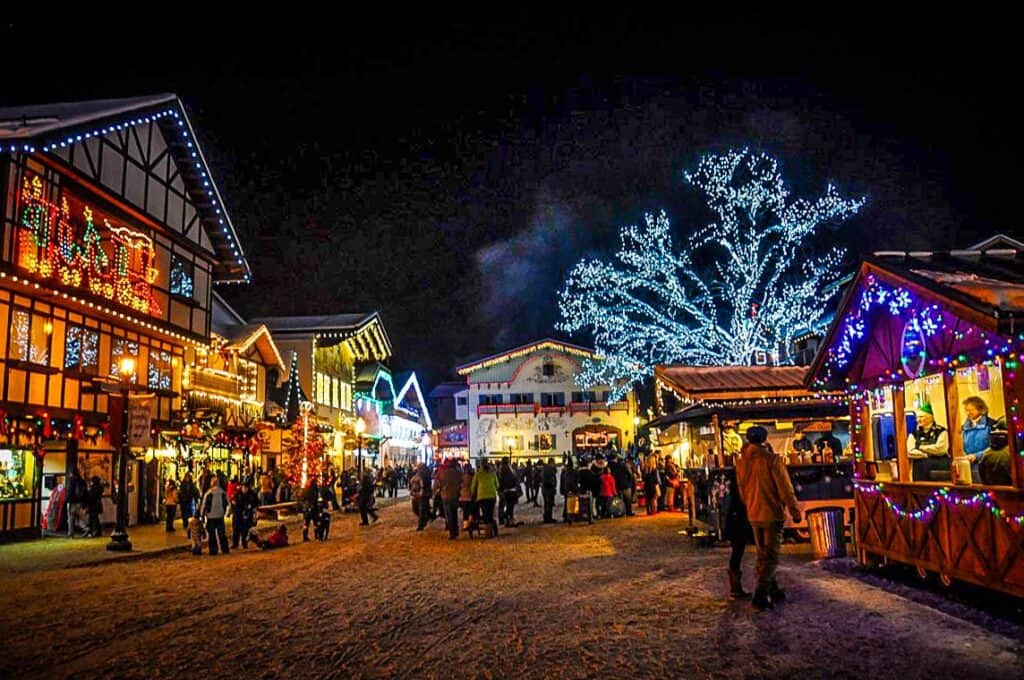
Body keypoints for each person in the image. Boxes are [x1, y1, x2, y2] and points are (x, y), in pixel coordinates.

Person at [735, 426, 801, 610]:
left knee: (763, 554)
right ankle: (760, 595)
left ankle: (774, 591)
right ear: (765, 439)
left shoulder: (741, 462)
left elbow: (742, 490)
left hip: (753, 513)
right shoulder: (771, 460)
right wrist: (795, 511)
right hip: (772, 513)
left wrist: (750, 504)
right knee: (771, 557)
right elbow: (785, 488)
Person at [723, 472, 751, 599]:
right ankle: (735, 588)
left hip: (735, 519)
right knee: (738, 552)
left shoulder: (735, 489)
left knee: (737, 552)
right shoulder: (740, 492)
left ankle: (735, 587)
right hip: (738, 520)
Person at [907, 402, 949, 482]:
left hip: (939, 469)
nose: (918, 420)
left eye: (921, 417)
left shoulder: (941, 431)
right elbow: (910, 451)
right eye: (917, 417)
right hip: (919, 471)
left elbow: (940, 449)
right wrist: (924, 454)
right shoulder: (914, 433)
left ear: (931, 417)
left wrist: (920, 447)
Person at [962, 396, 997, 482]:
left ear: (981, 409)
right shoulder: (963, 428)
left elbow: (994, 447)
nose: (968, 413)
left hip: (987, 465)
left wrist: (976, 456)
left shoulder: (992, 425)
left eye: (971, 410)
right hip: (968, 465)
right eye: (966, 410)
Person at [200, 476, 231, 555]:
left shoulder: (209, 493)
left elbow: (204, 505)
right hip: (220, 515)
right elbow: (227, 503)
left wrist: (202, 515)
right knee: (222, 534)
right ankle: (225, 549)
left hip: (211, 516)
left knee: (212, 534)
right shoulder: (222, 492)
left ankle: (213, 550)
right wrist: (226, 513)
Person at [470, 459, 500, 537]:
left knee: (485, 513)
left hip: (482, 496)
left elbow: (473, 486)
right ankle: (489, 530)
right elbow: (497, 485)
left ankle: (488, 531)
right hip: (492, 496)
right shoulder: (492, 473)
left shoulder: (478, 474)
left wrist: (473, 494)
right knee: (490, 513)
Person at [438, 458, 462, 539]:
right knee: (454, 513)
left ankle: (452, 533)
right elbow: (460, 482)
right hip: (454, 495)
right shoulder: (457, 473)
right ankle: (456, 531)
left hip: (446, 496)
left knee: (449, 515)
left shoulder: (442, 473)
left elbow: (438, 484)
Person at [231, 481, 259, 549]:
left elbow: (256, 502)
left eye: (245, 488)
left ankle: (244, 544)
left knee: (245, 531)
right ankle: (235, 544)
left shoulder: (252, 494)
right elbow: (233, 501)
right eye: (243, 487)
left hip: (247, 515)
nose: (244, 489)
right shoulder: (238, 493)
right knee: (236, 530)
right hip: (238, 514)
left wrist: (251, 508)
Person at [498, 457, 520, 528]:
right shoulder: (508, 469)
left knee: (506, 505)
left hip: (505, 490)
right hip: (510, 490)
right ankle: (508, 519)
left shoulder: (500, 469)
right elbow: (511, 479)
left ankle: (505, 519)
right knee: (510, 506)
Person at [65, 468, 88, 538]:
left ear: (72, 474)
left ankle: (70, 533)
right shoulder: (81, 481)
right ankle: (86, 528)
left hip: (72, 502)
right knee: (78, 518)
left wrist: (67, 499)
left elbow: (70, 492)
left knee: (71, 518)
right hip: (79, 502)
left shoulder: (71, 481)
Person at [459, 461, 475, 530]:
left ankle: (466, 525)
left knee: (465, 511)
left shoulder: (462, 477)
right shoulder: (473, 476)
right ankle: (471, 522)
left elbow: (460, 485)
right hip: (471, 496)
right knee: (472, 510)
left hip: (463, 496)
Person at [541, 457, 558, 523]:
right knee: (548, 504)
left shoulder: (546, 468)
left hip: (547, 489)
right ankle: (548, 518)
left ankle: (548, 517)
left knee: (548, 504)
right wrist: (552, 484)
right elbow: (550, 479)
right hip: (548, 489)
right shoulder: (549, 469)